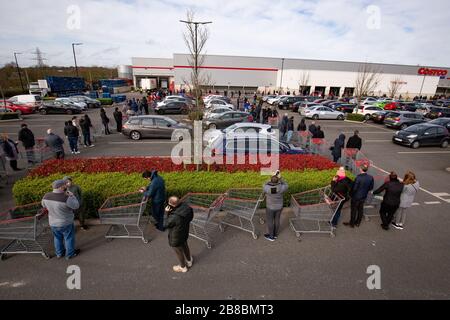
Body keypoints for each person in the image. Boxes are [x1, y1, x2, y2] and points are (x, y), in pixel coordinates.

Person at [41, 179, 80, 259]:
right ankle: (69, 254)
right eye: (64, 185)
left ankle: (59, 253)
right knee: (68, 238)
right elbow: (76, 206)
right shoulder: (66, 197)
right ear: (61, 187)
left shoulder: (46, 196)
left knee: (57, 238)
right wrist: (72, 196)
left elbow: (43, 205)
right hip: (65, 222)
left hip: (53, 223)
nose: (66, 186)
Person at [163, 196, 194, 273]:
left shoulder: (174, 216)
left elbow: (165, 224)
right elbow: (190, 218)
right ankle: (189, 261)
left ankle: (183, 267)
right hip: (184, 231)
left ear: (171, 205)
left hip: (175, 236)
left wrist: (166, 213)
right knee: (185, 245)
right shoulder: (187, 207)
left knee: (178, 251)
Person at [262, 171, 288, 241]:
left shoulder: (267, 188)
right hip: (279, 207)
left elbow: (264, 184)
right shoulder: (282, 187)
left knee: (270, 221)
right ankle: (275, 235)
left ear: (271, 181)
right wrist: (280, 178)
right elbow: (286, 184)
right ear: (278, 181)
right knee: (277, 220)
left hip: (270, 207)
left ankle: (271, 236)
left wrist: (270, 178)